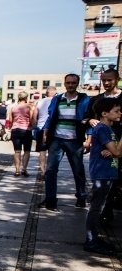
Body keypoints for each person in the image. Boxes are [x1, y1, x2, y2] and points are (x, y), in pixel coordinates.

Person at [41, 74, 91, 211]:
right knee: (50, 170)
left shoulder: (84, 99)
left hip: (74, 140)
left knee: (78, 170)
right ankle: (51, 199)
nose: (70, 85)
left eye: (73, 83)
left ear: (77, 84)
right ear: (64, 84)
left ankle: (81, 196)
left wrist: (89, 139)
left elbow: (88, 119)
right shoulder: (57, 99)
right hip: (57, 139)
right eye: (68, 83)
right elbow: (51, 116)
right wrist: (46, 131)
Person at [84, 68, 122, 222]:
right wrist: (89, 121)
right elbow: (85, 118)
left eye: (110, 80)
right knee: (106, 180)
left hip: (117, 144)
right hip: (104, 145)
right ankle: (105, 213)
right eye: (104, 80)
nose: (106, 83)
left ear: (117, 79)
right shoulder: (97, 99)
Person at [84, 98, 121, 255]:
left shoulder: (108, 128)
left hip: (107, 173)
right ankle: (91, 240)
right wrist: (115, 151)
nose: (120, 113)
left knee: (99, 206)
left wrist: (113, 152)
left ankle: (94, 237)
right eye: (117, 111)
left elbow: (115, 152)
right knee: (96, 208)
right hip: (102, 174)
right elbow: (118, 152)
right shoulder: (103, 129)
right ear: (105, 113)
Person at [9, 91, 36, 176]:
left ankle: (17, 170)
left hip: (15, 129)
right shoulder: (29, 107)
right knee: (27, 151)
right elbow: (32, 119)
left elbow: (10, 120)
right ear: (26, 98)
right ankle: (24, 169)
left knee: (17, 151)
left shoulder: (13, 107)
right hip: (26, 130)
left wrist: (10, 127)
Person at [34, 86, 58, 175]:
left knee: (42, 151)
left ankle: (42, 171)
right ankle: (51, 170)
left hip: (41, 127)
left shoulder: (40, 102)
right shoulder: (57, 101)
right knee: (53, 150)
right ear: (55, 93)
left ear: (46, 93)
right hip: (54, 128)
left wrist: (35, 126)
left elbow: (34, 116)